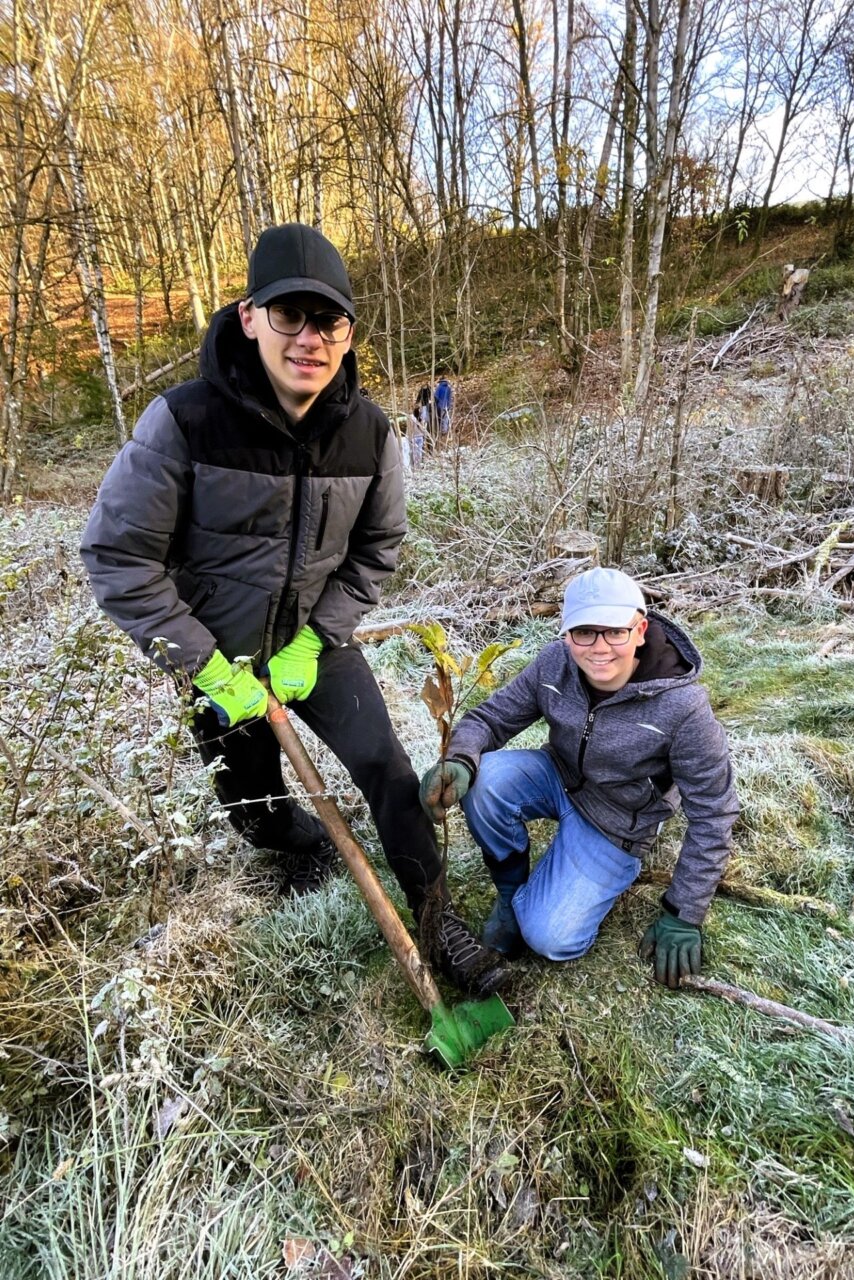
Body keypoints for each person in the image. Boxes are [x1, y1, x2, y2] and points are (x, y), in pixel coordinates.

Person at [80, 222, 508, 999]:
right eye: (290, 315)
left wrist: (317, 638)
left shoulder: (372, 435)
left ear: (348, 331)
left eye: (330, 320)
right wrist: (205, 666)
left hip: (316, 648)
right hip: (220, 663)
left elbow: (376, 550)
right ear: (250, 316)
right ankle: (303, 845)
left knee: (387, 769)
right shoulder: (182, 423)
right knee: (254, 809)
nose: (311, 338)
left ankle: (438, 917)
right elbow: (117, 557)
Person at [418, 567, 739, 988]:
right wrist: (459, 759)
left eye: (615, 633)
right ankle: (511, 898)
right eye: (585, 632)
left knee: (551, 938)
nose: (599, 648)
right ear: (566, 635)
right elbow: (491, 718)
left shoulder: (682, 706)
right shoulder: (555, 664)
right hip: (560, 774)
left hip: (617, 821)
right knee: (484, 780)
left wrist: (684, 912)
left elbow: (714, 812)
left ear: (640, 630)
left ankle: (540, 905)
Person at [433, 375, 453, 440]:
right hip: (448, 405)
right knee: (446, 419)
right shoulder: (449, 388)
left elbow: (436, 397)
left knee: (441, 418)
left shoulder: (439, 387)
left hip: (440, 405)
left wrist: (435, 404)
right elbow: (450, 397)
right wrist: (449, 405)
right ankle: (445, 430)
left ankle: (441, 432)